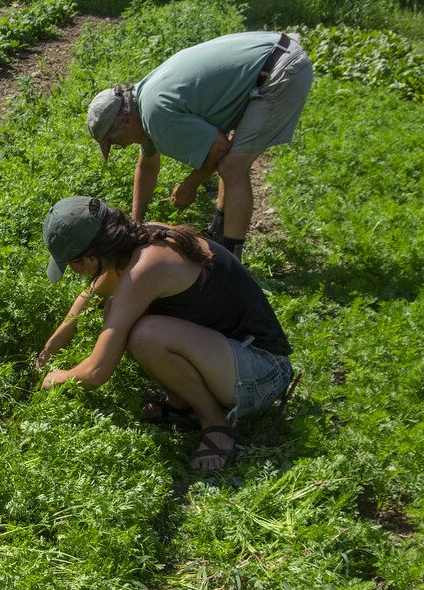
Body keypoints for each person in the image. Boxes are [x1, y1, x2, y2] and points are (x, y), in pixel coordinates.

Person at [35, 196, 293, 470]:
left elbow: (96, 372)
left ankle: (216, 423)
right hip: (232, 356)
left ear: (90, 258)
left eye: (73, 264)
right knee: (116, 309)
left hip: (263, 373)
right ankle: (182, 404)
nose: (75, 273)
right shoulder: (142, 237)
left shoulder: (147, 267)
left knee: (146, 335)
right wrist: (57, 338)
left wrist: (58, 378)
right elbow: (94, 291)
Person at [85, 31, 312, 260]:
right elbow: (147, 167)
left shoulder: (156, 116)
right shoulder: (143, 99)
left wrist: (190, 185)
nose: (120, 147)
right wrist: (136, 224)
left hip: (280, 70)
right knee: (229, 163)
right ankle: (218, 235)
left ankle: (232, 261)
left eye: (114, 142)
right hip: (273, 51)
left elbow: (218, 147)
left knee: (232, 166)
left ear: (124, 121)